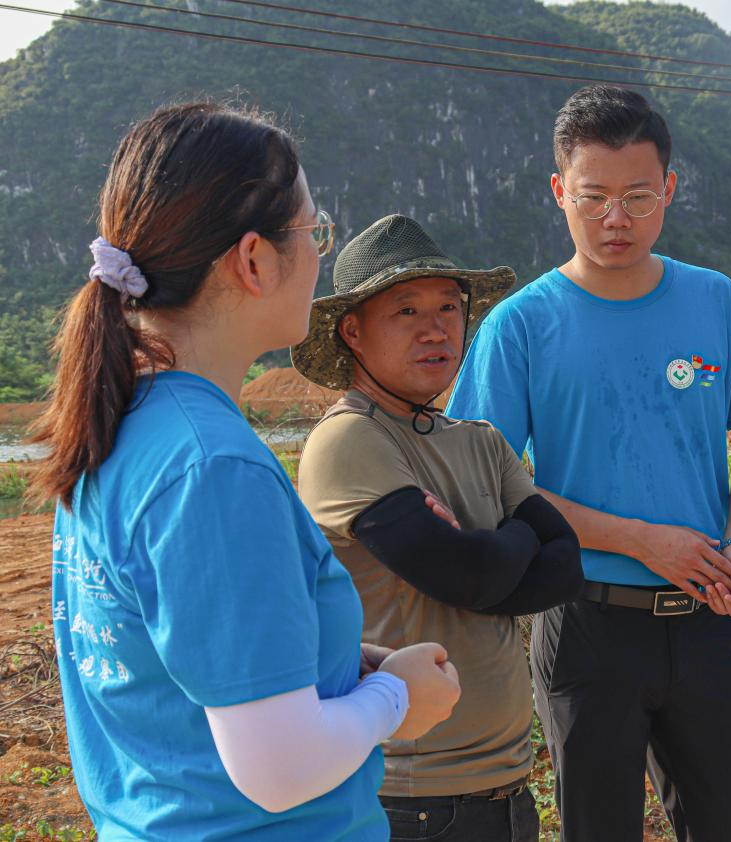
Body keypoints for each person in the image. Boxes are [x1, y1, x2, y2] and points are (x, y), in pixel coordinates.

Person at [28, 103, 460, 840]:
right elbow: (279, 769)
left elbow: (173, 655)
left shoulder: (122, 424)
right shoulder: (212, 468)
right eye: (314, 233)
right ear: (255, 260)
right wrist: (394, 696)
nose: (320, 256)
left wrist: (331, 660)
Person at [447, 84, 731, 842]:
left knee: (730, 825)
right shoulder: (520, 327)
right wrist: (642, 540)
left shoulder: (716, 302)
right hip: (585, 621)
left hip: (706, 620)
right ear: (557, 193)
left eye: (638, 196)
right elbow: (491, 483)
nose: (615, 218)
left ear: (669, 189)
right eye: (594, 196)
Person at [292, 214, 583, 842]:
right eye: (406, 311)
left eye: (449, 308)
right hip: (410, 798)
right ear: (353, 332)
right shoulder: (350, 440)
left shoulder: (479, 441)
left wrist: (490, 554)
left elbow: (565, 567)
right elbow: (466, 575)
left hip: (505, 788)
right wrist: (513, 540)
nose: (436, 329)